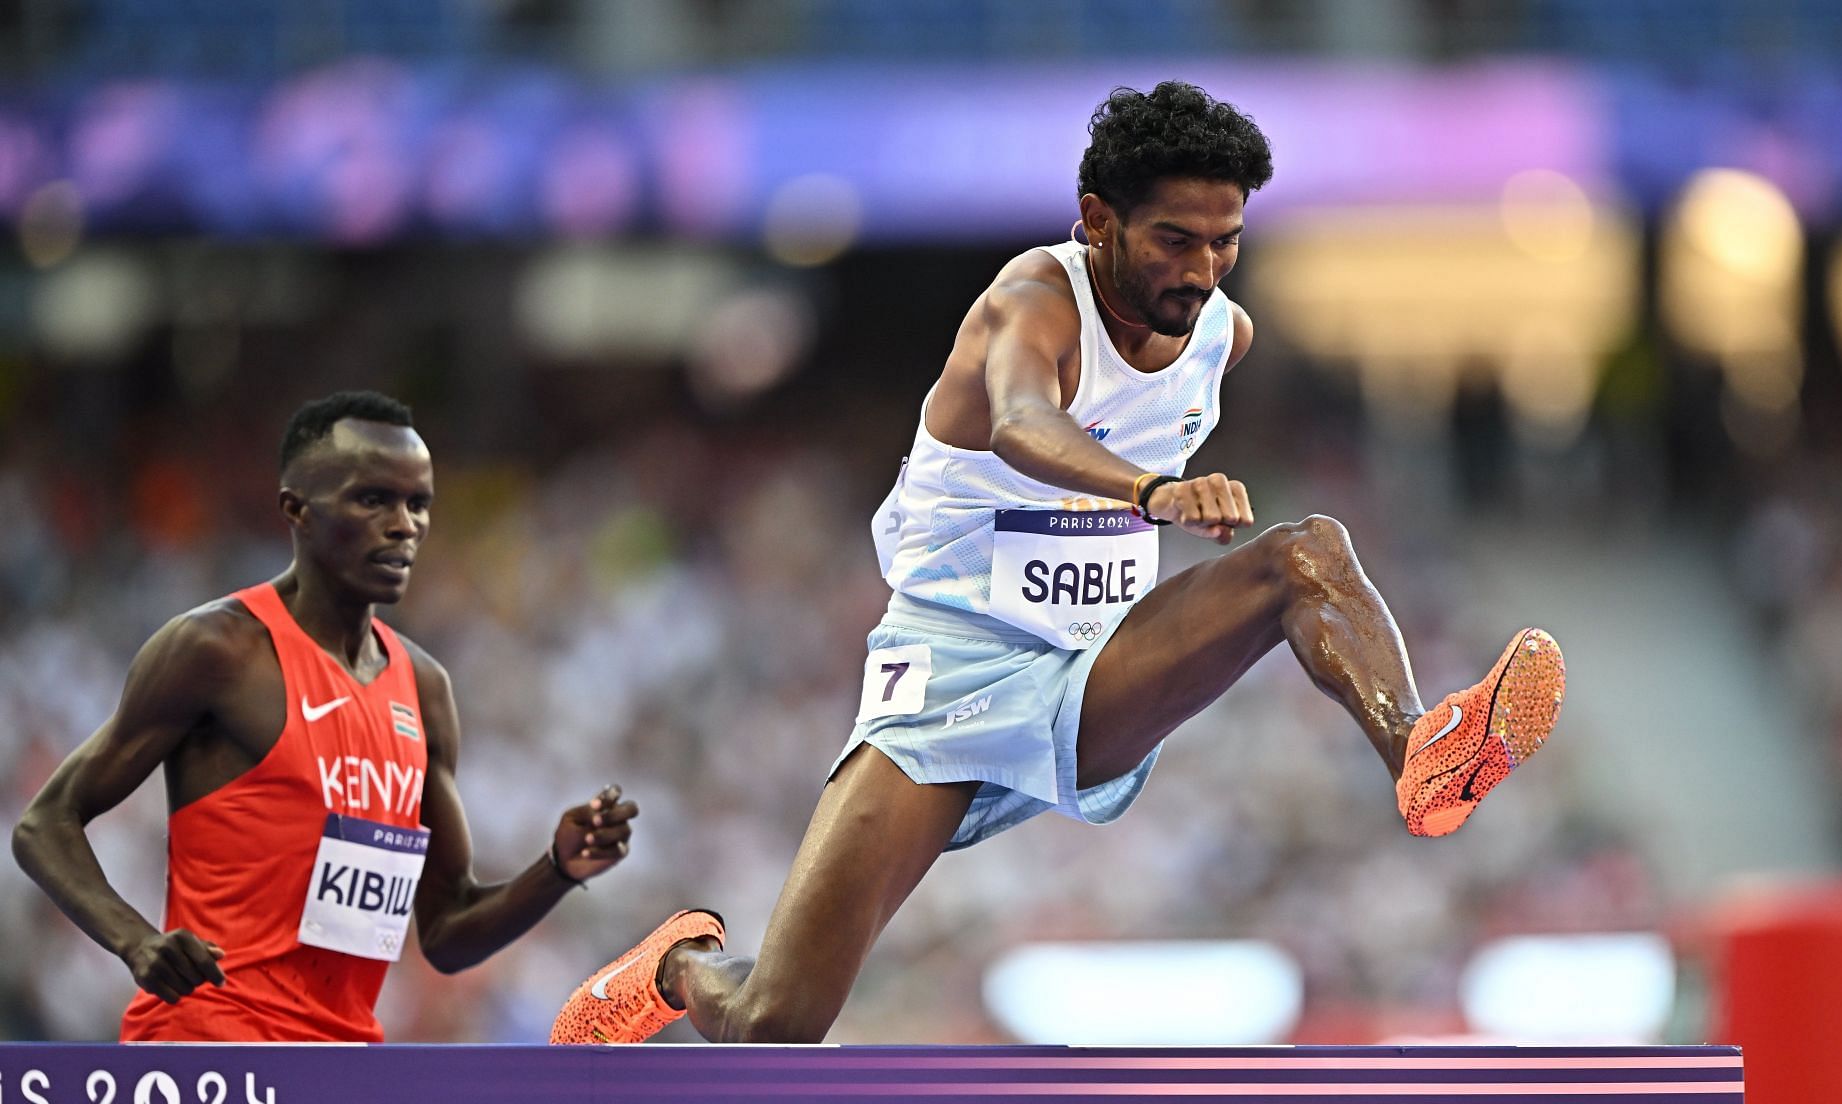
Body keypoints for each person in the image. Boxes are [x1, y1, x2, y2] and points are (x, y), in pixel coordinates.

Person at [549, 80, 1565, 1045]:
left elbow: (1190, 376)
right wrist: (1152, 493)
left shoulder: (1223, 335)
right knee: (777, 1024)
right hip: (951, 670)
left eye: (1227, 242)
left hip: (1091, 669)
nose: (1204, 271)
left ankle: (1420, 750)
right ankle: (680, 963)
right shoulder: (1032, 302)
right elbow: (1023, 418)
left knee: (1306, 555)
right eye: (1175, 240)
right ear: (1097, 219)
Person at [12, 391, 638, 1042]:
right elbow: (44, 823)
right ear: (298, 511)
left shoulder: (423, 691)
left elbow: (447, 930)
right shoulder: (221, 651)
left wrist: (557, 870)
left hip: (341, 1067)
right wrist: (135, 941)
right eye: (374, 500)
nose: (404, 525)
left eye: (417, 503)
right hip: (210, 1056)